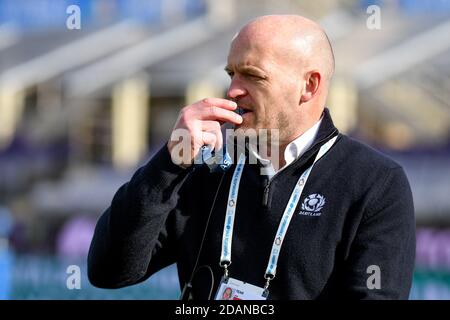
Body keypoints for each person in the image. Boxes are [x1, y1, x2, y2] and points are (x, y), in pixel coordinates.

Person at [88, 15, 415, 300]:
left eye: (253, 76)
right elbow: (108, 271)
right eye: (231, 73)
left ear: (309, 85)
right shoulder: (206, 167)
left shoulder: (375, 181)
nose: (232, 90)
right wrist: (169, 163)